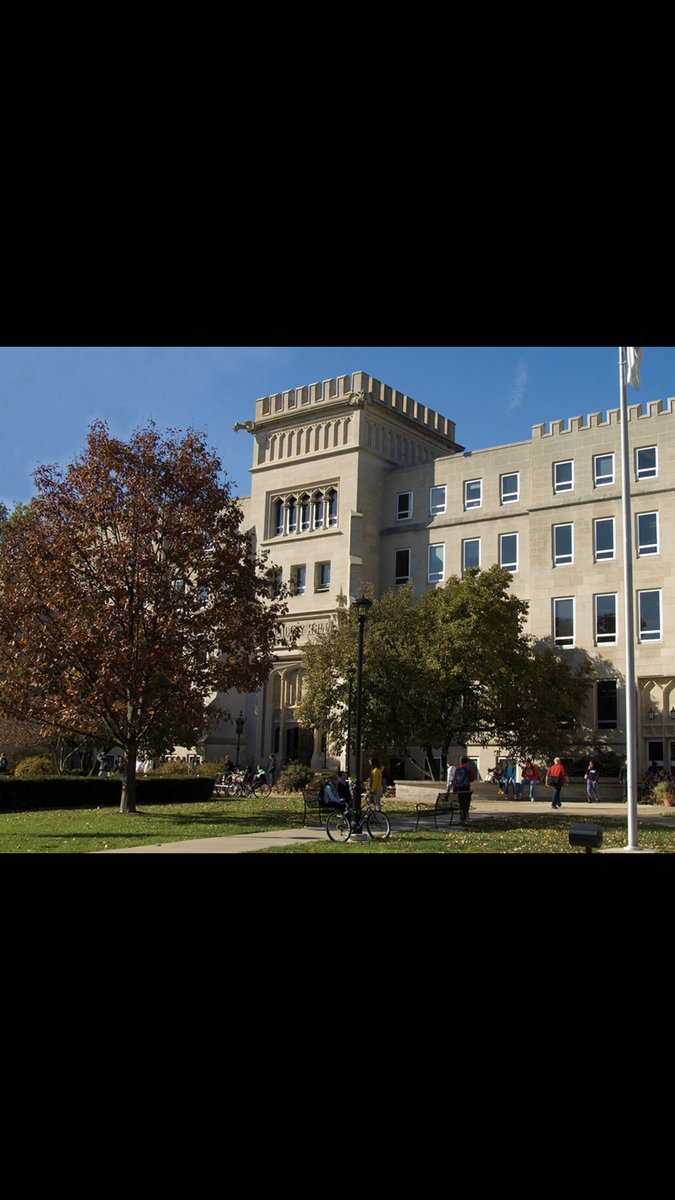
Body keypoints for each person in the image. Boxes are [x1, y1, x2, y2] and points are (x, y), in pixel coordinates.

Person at [452, 755, 475, 825]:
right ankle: (465, 818)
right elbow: (472, 778)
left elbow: (455, 780)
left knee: (461, 804)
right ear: (467, 762)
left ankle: (461, 817)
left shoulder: (458, 769)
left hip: (459, 789)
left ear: (461, 762)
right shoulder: (468, 769)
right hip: (466, 788)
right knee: (466, 804)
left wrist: (454, 789)